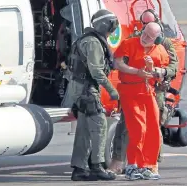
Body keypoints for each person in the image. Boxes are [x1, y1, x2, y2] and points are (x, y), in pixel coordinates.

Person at [109, 8, 179, 174]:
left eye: (149, 25)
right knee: (126, 123)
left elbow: (173, 66)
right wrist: (135, 71)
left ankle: (152, 162)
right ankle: (118, 160)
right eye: (144, 26)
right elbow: (119, 61)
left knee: (154, 124)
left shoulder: (164, 43)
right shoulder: (132, 40)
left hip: (155, 89)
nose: (145, 32)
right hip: (133, 89)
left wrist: (161, 72)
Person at [64, 9, 120, 181]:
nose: (113, 29)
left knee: (84, 129)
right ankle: (97, 166)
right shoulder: (94, 43)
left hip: (79, 89)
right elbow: (96, 71)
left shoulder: (85, 40)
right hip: (88, 90)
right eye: (112, 26)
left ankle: (79, 168)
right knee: (100, 126)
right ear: (105, 26)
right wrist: (112, 90)